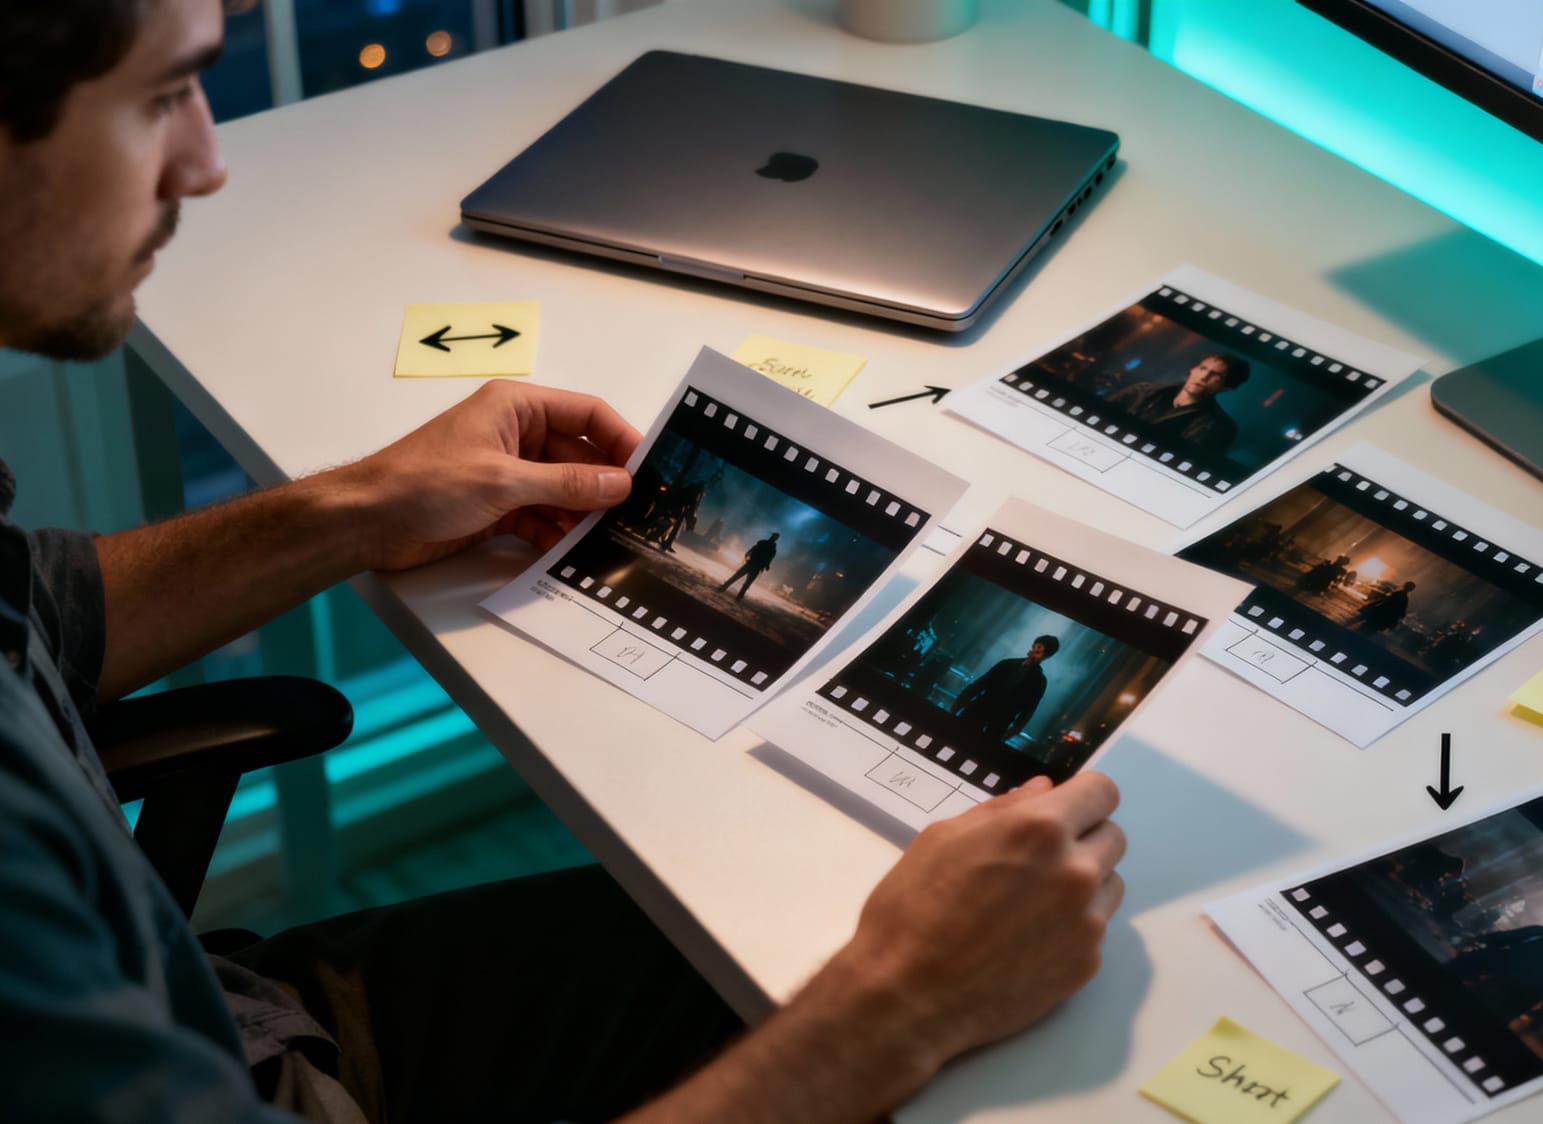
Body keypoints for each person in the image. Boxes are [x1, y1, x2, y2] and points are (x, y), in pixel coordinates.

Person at [0, 2, 1128, 1121]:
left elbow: (29, 610)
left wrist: (358, 509)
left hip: (209, 1003)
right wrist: (903, 1005)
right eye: (161, 97)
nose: (205, 165)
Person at [1103, 352, 1249, 458]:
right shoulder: (1141, 391)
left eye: (1216, 375)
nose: (1204, 377)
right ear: (1193, 369)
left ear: (1226, 387)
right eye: (1203, 368)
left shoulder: (1221, 427)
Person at [954, 634, 1060, 740]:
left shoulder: (1038, 680)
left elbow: (1029, 709)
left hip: (997, 721)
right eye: (1035, 649)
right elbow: (980, 684)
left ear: (1046, 656)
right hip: (981, 712)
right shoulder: (1009, 665)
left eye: (1039, 652)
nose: (1034, 654)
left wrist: (1016, 728)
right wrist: (958, 703)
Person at [718, 531, 779, 600]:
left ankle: (726, 588)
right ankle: (737, 595)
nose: (772, 538)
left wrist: (748, 554)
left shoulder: (764, 544)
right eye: (773, 536)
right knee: (744, 581)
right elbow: (767, 558)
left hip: (752, 564)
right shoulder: (770, 547)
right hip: (755, 566)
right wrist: (766, 565)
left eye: (773, 537)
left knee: (739, 578)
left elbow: (756, 551)